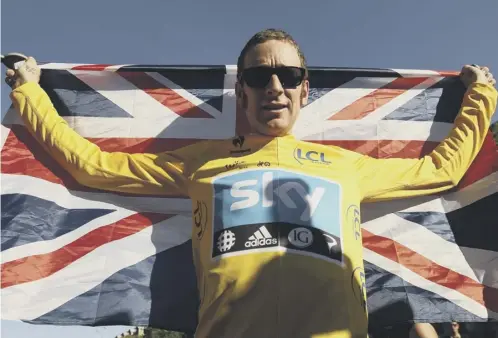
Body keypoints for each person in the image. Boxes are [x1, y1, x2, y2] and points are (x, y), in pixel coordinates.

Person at [5, 29, 497, 338]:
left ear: (306, 89)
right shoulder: (201, 161)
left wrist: (481, 97)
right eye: (259, 76)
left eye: (287, 74)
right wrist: (29, 91)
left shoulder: (347, 164)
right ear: (241, 91)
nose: (274, 86)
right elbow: (93, 167)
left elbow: (443, 170)